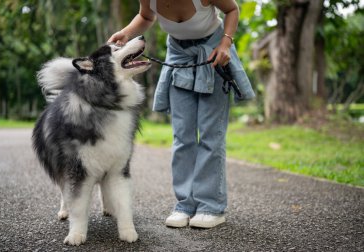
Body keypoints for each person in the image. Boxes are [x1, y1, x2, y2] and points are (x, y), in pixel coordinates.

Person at [108, 0, 255, 228]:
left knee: (210, 134)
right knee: (182, 135)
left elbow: (232, 9)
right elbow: (147, 17)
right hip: (178, 54)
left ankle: (211, 206)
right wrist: (126, 33)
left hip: (214, 53)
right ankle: (185, 204)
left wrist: (226, 43)